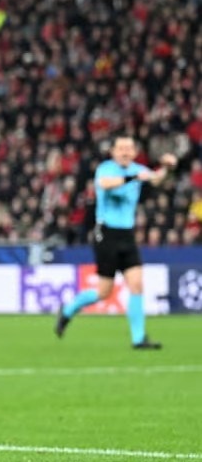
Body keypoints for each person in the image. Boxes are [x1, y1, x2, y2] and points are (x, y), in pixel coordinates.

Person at [56, 136, 177, 348]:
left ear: (135, 152)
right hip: (106, 233)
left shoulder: (138, 169)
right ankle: (68, 309)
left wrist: (167, 167)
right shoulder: (106, 169)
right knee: (104, 291)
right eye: (121, 148)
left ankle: (139, 339)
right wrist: (133, 177)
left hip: (127, 234)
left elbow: (156, 179)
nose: (125, 152)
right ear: (113, 152)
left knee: (136, 284)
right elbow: (105, 184)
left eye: (129, 148)